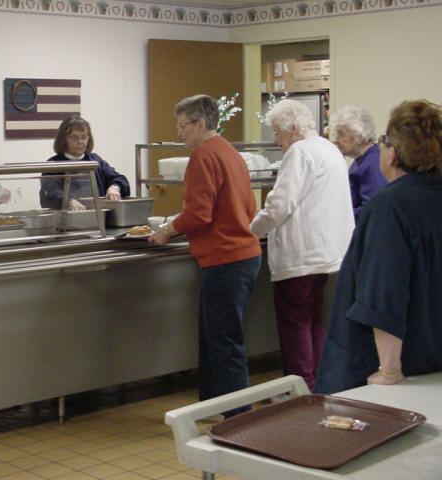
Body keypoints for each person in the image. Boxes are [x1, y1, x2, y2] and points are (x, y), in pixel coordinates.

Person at [315, 99, 442, 394]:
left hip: (387, 368)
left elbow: (383, 295)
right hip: (432, 362)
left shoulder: (390, 206)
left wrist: (389, 370)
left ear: (393, 153)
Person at [149, 94, 261, 416]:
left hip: (225, 259)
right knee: (215, 338)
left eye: (183, 125)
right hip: (244, 256)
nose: (179, 132)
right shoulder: (230, 153)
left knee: (224, 343)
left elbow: (199, 213)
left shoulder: (202, 156)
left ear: (199, 124)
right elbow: (248, 207)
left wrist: (169, 229)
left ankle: (237, 417)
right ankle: (212, 406)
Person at [250, 99, 354, 391]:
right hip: (325, 253)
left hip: (300, 256)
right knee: (312, 321)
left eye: (277, 132)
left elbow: (279, 206)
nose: (275, 139)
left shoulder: (300, 152)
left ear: (293, 128)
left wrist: (251, 230)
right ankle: (319, 384)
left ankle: (299, 390)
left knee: (294, 324)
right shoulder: (328, 149)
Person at [39, 115, 130, 211]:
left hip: (99, 217)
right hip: (67, 218)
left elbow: (120, 179)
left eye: (84, 137)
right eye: (74, 137)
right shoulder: (53, 165)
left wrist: (115, 187)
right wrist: (68, 201)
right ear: (63, 140)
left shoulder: (95, 160)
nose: (80, 142)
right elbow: (49, 193)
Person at [331, 104, 388, 222]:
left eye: (341, 134)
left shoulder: (373, 162)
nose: (335, 140)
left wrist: (338, 218)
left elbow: (372, 209)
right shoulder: (361, 161)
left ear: (360, 136)